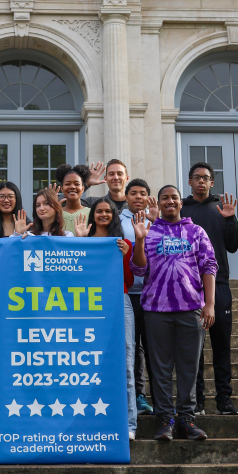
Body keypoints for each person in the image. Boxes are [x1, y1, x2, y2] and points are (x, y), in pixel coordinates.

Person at [131, 185, 217, 443]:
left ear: (181, 203)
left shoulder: (195, 231)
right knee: (160, 368)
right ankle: (165, 419)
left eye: (174, 198)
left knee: (189, 368)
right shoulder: (149, 230)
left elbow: (209, 265)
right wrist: (139, 240)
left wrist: (210, 304)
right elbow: (138, 269)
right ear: (157, 202)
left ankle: (187, 420)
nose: (170, 201)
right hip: (156, 311)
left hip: (191, 309)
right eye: (165, 198)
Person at [181, 162, 238, 416]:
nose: (201, 182)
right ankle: (198, 402)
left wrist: (230, 220)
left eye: (205, 178)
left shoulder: (221, 208)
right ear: (189, 181)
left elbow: (233, 246)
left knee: (221, 345)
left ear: (212, 182)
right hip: (188, 286)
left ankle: (224, 400)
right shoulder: (182, 209)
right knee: (193, 348)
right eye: (196, 178)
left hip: (219, 285)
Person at [76, 199, 136, 439]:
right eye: (98, 211)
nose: (103, 214)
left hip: (118, 303)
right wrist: (79, 244)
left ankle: (129, 425)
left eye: (107, 211)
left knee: (126, 364)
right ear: (93, 215)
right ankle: (89, 423)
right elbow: (75, 276)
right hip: (87, 305)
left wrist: (125, 256)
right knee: (87, 365)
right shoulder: (82, 240)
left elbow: (129, 281)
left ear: (114, 215)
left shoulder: (124, 244)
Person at [120, 179, 159, 415]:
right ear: (125, 197)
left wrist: (155, 221)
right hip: (128, 293)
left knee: (152, 346)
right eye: (133, 193)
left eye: (142, 193)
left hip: (153, 293)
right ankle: (139, 395)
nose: (138, 197)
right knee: (133, 347)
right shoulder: (118, 221)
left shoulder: (156, 220)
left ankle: (160, 398)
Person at [55, 165, 91, 233]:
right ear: (62, 189)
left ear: (83, 189)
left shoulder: (91, 213)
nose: (72, 187)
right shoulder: (55, 214)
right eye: (67, 184)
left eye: (77, 184)